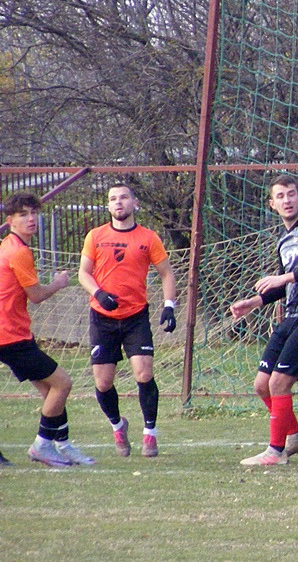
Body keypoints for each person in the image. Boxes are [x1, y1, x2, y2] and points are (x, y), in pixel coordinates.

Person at [230, 175, 298, 466]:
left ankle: (276, 452)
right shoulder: (284, 239)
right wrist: (255, 301)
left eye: (291, 194)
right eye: (281, 196)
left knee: (278, 383)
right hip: (292, 316)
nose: (287, 200)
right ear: (272, 204)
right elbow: (286, 285)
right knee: (262, 384)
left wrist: (284, 276)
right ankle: (295, 436)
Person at [79, 183, 177, 458]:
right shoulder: (96, 236)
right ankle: (118, 425)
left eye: (123, 197)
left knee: (144, 373)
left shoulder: (149, 238)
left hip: (136, 317)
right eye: (113, 199)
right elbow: (83, 274)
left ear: (135, 203)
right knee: (103, 383)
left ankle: (150, 434)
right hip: (102, 318)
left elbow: (166, 274)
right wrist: (98, 293)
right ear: (108, 206)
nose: (118, 202)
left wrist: (169, 306)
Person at [0, 193, 94, 467]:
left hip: (15, 333)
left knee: (48, 390)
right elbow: (37, 295)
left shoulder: (10, 245)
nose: (31, 219)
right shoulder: (18, 252)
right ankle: (42, 445)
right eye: (23, 215)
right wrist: (59, 283)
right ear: (10, 221)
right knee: (63, 383)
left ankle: (63, 445)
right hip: (9, 336)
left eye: (34, 213)